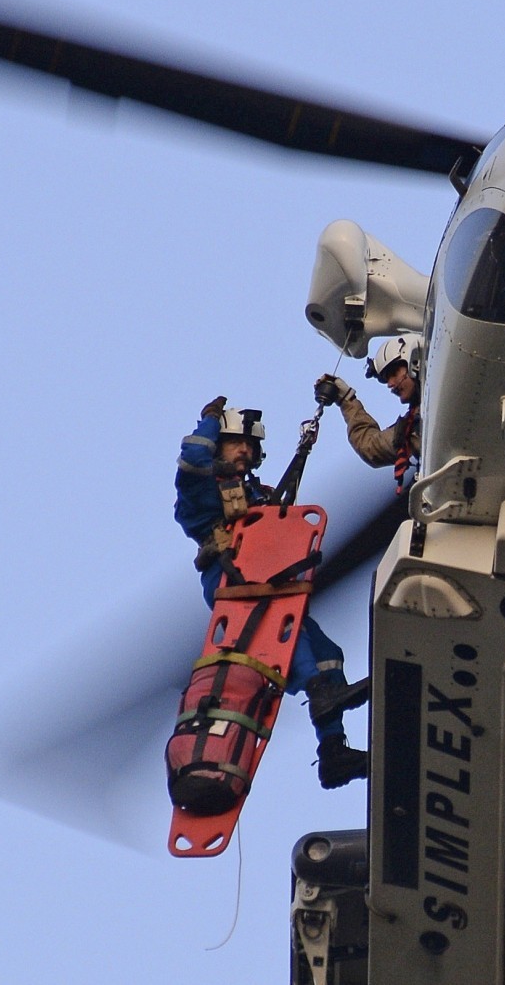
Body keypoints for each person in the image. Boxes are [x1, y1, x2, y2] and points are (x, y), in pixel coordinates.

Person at [174, 396, 368, 789]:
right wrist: (209, 421)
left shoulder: (258, 496)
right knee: (288, 641)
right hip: (233, 583)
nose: (244, 449)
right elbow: (194, 459)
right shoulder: (203, 490)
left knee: (327, 655)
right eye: (234, 442)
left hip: (269, 584)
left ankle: (333, 750)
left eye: (249, 444)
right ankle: (318, 692)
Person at [315, 334, 424, 494]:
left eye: (394, 373)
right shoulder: (412, 426)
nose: (391, 384)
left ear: (416, 362)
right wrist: (347, 400)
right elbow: (370, 447)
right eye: (387, 379)